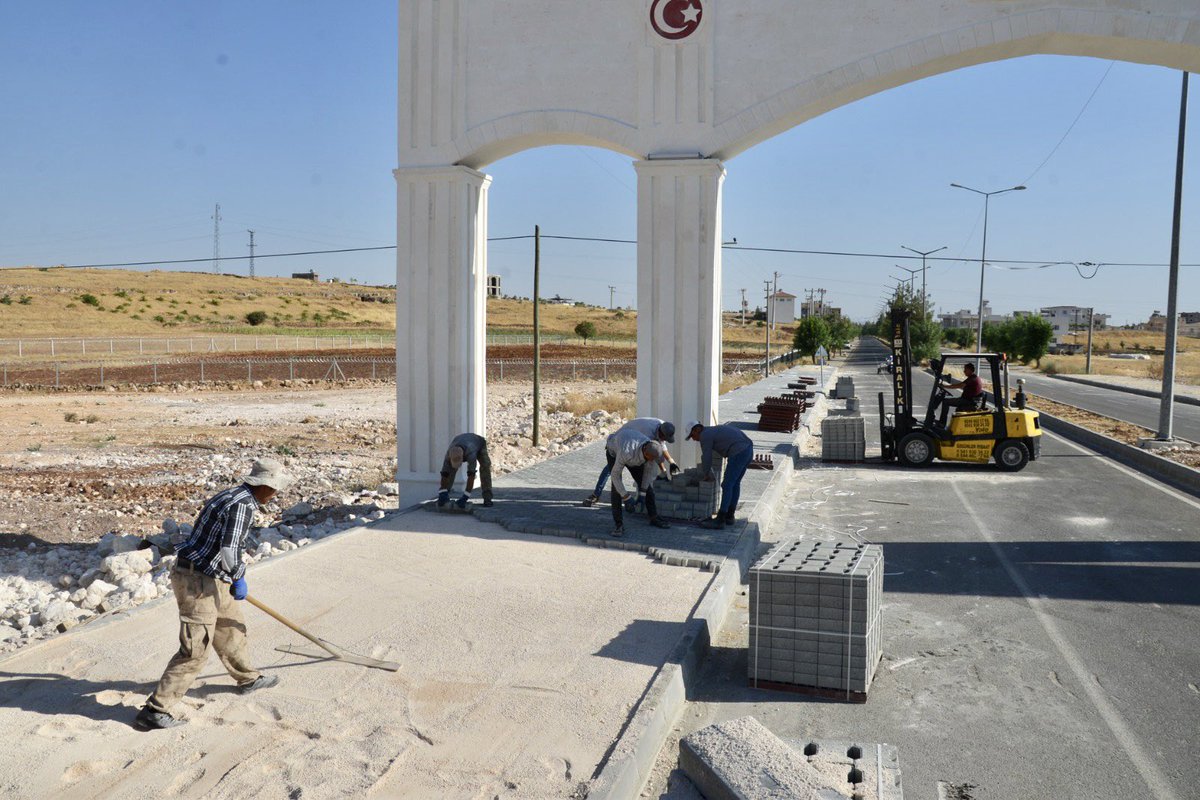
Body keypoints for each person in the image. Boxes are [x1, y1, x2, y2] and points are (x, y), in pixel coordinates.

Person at [135, 458, 289, 730]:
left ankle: (247, 678)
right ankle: (156, 710)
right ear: (264, 486)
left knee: (231, 627)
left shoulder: (232, 494)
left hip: (212, 574)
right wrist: (239, 576)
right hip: (196, 579)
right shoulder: (242, 505)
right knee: (195, 649)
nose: (276, 494)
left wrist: (228, 575)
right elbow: (230, 550)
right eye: (275, 489)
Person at [581, 419, 679, 506]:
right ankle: (596, 495)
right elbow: (653, 453)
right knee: (611, 470)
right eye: (664, 438)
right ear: (661, 433)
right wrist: (627, 497)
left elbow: (659, 449)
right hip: (621, 440)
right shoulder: (647, 433)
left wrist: (670, 463)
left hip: (633, 440)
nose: (664, 440)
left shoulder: (664, 427)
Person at [686, 421, 753, 530]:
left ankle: (720, 519)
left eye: (692, 436)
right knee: (735, 484)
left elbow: (707, 457)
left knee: (727, 485)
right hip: (748, 449)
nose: (693, 439)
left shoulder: (705, 435)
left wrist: (706, 473)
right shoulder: (712, 431)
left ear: (697, 430)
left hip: (739, 451)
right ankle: (729, 516)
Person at [607, 429, 672, 536]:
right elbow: (615, 476)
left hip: (633, 453)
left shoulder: (652, 450)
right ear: (646, 453)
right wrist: (626, 497)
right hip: (614, 451)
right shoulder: (626, 452)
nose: (652, 461)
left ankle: (654, 518)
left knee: (648, 489)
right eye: (651, 459)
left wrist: (642, 494)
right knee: (616, 490)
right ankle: (618, 525)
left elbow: (647, 474)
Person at [438, 433, 494, 509]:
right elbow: (444, 474)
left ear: (463, 457)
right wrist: (442, 492)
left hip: (478, 443)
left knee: (485, 466)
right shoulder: (449, 454)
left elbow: (471, 475)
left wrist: (465, 497)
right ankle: (445, 494)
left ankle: (488, 498)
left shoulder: (471, 454)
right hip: (462, 441)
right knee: (451, 470)